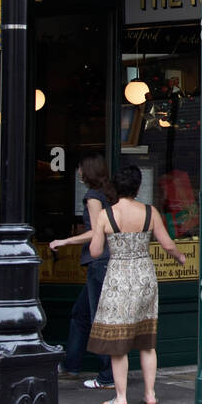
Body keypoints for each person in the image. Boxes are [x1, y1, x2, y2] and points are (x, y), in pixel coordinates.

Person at [87, 164, 187, 404]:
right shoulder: (150, 212)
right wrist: (181, 258)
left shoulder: (105, 214)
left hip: (119, 277)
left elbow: (95, 251)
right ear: (138, 187)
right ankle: (150, 394)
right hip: (144, 276)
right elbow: (168, 245)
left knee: (117, 342)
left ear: (115, 187)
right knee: (146, 340)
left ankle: (120, 397)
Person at [48, 153, 116, 390]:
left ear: (86, 171)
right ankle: (71, 364)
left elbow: (98, 231)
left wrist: (65, 241)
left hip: (100, 263)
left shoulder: (93, 197)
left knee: (99, 318)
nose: (77, 171)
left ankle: (107, 375)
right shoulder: (109, 194)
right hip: (107, 261)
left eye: (79, 167)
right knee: (81, 314)